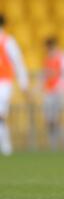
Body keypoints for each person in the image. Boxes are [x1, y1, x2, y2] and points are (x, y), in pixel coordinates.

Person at [0, 14, 29, 155]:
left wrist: (23, 83)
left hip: (3, 82)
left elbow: (18, 63)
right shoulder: (8, 41)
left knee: (0, 114)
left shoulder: (8, 41)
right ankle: (5, 146)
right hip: (4, 82)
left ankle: (6, 146)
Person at [42, 37, 64, 150]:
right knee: (49, 121)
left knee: (55, 120)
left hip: (59, 92)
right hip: (49, 93)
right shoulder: (47, 59)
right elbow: (44, 76)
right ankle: (53, 146)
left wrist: (61, 90)